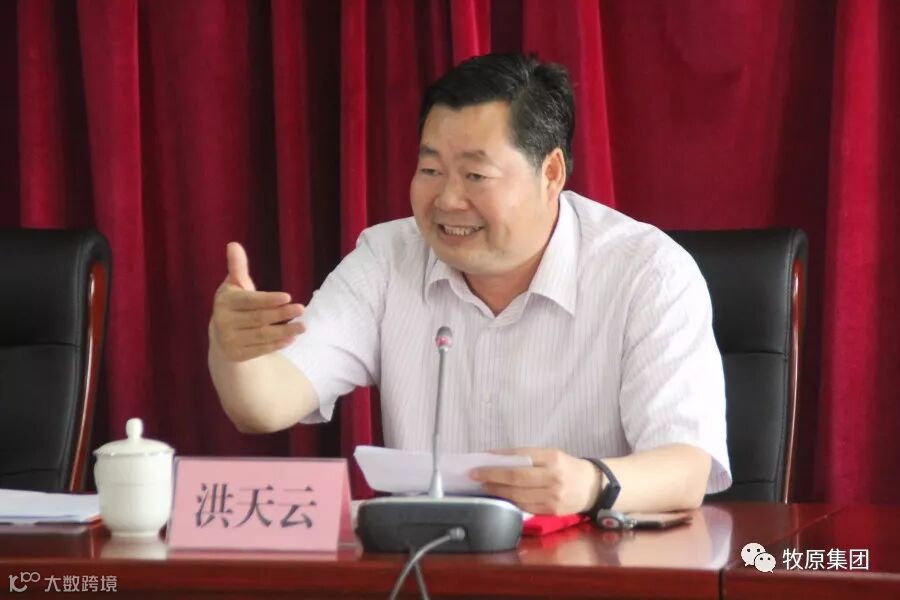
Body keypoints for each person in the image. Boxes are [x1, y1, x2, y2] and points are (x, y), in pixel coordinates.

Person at [208, 53, 731, 517]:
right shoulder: (387, 259)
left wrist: (591, 484)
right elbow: (264, 406)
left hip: (594, 567)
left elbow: (687, 468)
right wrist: (233, 349)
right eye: (430, 170)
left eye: (475, 176)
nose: (447, 200)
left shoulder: (647, 273)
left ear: (551, 172)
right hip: (429, 569)